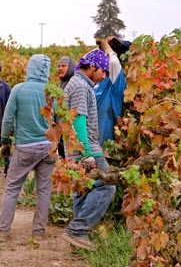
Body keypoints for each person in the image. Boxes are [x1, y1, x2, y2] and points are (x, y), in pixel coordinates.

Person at [0, 54, 56, 242]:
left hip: (25, 147)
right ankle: (39, 232)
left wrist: (5, 142)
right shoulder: (53, 92)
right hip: (48, 148)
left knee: (12, 188)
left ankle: (2, 231)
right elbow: (60, 122)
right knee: (44, 190)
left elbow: (8, 118)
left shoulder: (19, 89)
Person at [62, 49, 116, 250]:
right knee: (107, 185)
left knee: (83, 191)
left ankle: (77, 241)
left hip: (77, 148)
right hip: (87, 148)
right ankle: (78, 230)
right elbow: (79, 120)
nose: (103, 75)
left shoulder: (77, 84)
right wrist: (87, 154)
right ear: (92, 66)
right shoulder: (80, 87)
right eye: (102, 70)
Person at [94, 37, 130, 145]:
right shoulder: (100, 81)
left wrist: (105, 44)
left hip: (106, 145)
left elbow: (114, 62)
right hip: (92, 143)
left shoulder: (117, 81)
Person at [56, 56, 76, 159]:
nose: (60, 68)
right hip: (61, 130)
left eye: (63, 66)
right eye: (59, 66)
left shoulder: (74, 85)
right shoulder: (60, 85)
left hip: (72, 131)